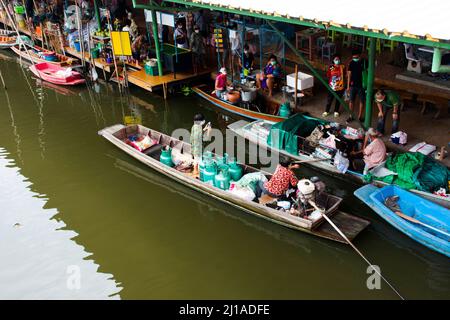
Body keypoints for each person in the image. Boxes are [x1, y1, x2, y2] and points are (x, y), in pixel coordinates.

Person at [346, 49, 367, 123]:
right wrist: (348, 86)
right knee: (351, 101)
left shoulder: (364, 62)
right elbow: (349, 75)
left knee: (362, 101)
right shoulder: (351, 63)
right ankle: (351, 116)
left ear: (360, 56)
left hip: (362, 86)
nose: (355, 59)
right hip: (352, 85)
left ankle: (360, 117)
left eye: (356, 57)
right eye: (354, 57)